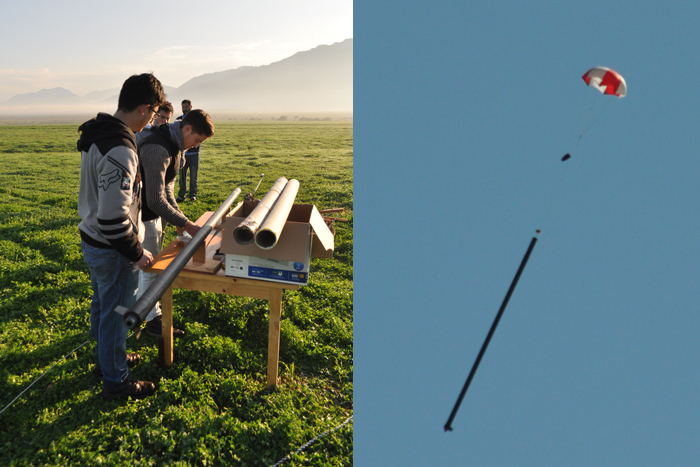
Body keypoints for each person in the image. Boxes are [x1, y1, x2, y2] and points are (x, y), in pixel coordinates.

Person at [77, 73, 166, 400]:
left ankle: (107, 360)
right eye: (155, 113)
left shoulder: (99, 132)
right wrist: (136, 252)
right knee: (116, 316)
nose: (154, 120)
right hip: (112, 249)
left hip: (92, 240)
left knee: (102, 304)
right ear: (145, 109)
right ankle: (116, 380)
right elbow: (114, 217)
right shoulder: (121, 149)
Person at [137, 109, 215, 337]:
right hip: (142, 215)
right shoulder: (157, 148)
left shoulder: (176, 147)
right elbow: (154, 198)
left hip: (154, 213)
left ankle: (148, 314)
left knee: (150, 265)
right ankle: (151, 321)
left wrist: (179, 218)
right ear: (186, 128)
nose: (196, 146)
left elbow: (168, 190)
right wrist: (187, 224)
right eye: (197, 140)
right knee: (149, 267)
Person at [176, 99, 201, 202]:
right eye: (183, 107)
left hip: (194, 153)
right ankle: (181, 196)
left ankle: (192, 195)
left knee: (193, 176)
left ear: (191, 107)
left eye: (186, 107)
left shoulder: (196, 120)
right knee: (182, 177)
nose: (184, 109)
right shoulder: (178, 120)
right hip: (183, 153)